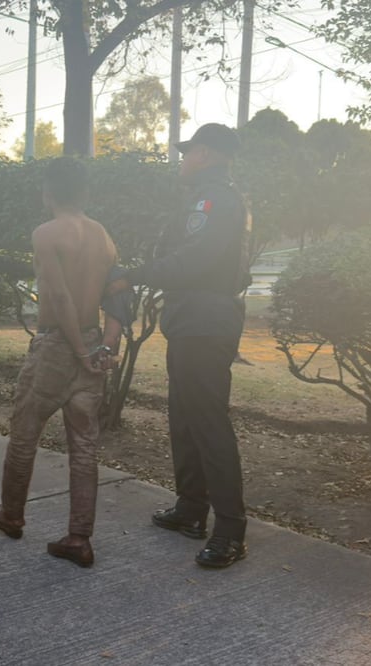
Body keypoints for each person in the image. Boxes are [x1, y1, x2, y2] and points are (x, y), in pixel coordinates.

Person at [116, 123, 251, 569]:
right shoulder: (208, 198)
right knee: (185, 418)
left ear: (206, 154)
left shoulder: (217, 201)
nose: (183, 159)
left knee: (208, 423)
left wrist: (135, 274)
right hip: (192, 320)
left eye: (188, 152)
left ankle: (230, 530)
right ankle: (192, 508)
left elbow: (196, 259)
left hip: (206, 321)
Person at [0, 157, 122, 569]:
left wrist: (77, 351)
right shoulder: (104, 236)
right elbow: (119, 293)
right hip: (93, 344)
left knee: (25, 433)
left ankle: (11, 514)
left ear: (48, 192)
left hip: (58, 347)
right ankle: (79, 537)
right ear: (85, 193)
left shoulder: (46, 233)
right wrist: (104, 347)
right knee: (84, 444)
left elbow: (58, 299)